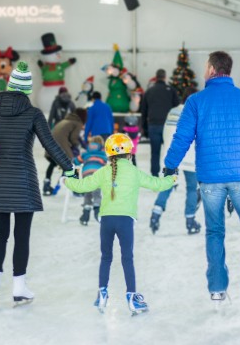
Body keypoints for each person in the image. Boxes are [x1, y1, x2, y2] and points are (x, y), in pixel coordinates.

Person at [164, 51, 240, 313]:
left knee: (214, 232)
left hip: (210, 179)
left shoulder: (196, 101)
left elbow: (181, 137)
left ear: (211, 69)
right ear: (228, 70)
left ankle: (217, 290)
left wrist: (169, 166)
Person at [0, 61, 75, 304]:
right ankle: (18, 287)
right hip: (23, 181)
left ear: (10, 86)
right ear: (27, 90)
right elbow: (50, 144)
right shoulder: (33, 114)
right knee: (21, 236)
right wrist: (69, 167)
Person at [63, 133, 176, 315]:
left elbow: (83, 186)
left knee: (105, 257)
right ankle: (131, 297)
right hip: (125, 221)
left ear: (108, 155)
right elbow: (156, 184)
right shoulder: (134, 172)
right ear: (129, 154)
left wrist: (68, 180)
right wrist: (172, 178)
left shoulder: (103, 172)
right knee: (127, 258)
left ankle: (102, 294)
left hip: (106, 220)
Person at [149, 86, 201, 235]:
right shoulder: (196, 113)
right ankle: (190, 221)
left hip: (171, 155)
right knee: (192, 188)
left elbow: (167, 133)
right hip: (189, 155)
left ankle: (156, 213)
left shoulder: (172, 111)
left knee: (168, 185)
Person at [141, 69, 179, 176]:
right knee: (169, 152)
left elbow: (143, 112)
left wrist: (145, 129)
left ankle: (154, 175)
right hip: (168, 126)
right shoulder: (171, 90)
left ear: (156, 77)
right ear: (165, 77)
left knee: (155, 152)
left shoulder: (149, 91)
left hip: (153, 126)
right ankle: (169, 176)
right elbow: (177, 108)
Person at [43, 108, 87, 196]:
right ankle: (76, 189)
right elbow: (74, 139)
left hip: (51, 145)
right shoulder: (78, 123)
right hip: (61, 146)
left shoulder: (66, 120)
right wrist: (78, 146)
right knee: (73, 164)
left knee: (52, 163)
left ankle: (46, 186)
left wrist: (83, 144)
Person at [73, 135, 107, 225]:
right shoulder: (103, 153)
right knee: (96, 192)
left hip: (86, 173)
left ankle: (85, 215)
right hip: (98, 174)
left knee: (88, 193)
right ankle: (97, 210)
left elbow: (76, 161)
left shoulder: (85, 153)